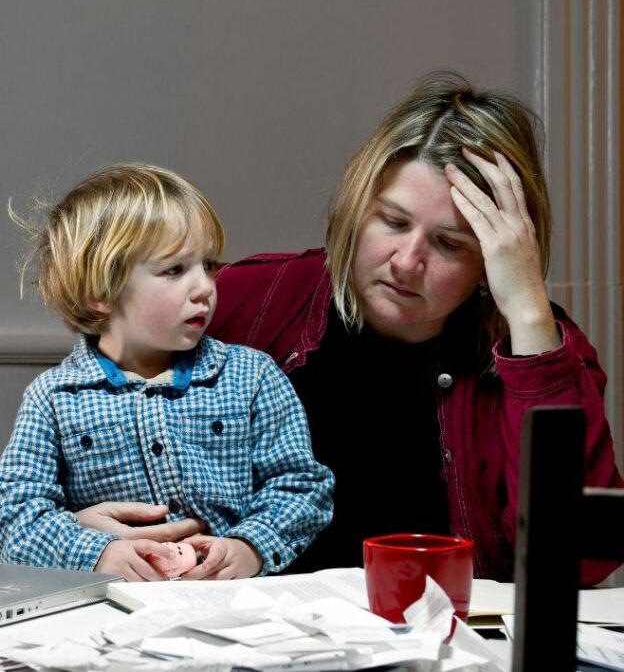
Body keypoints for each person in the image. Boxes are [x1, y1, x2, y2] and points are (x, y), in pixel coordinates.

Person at [73, 72, 624, 586]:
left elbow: (582, 561)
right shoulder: (247, 301)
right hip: (245, 638)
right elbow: (80, 444)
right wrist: (80, 522)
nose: (407, 262)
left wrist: (529, 312)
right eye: (393, 221)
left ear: (493, 257)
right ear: (359, 206)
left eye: (449, 244)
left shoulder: (544, 351)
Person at [0, 163, 334, 581]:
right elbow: (15, 513)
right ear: (99, 292)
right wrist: (99, 554)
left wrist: (250, 546)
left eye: (208, 265)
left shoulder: (251, 377)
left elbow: (301, 486)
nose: (205, 287)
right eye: (174, 270)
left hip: (233, 605)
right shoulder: (54, 397)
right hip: (108, 609)